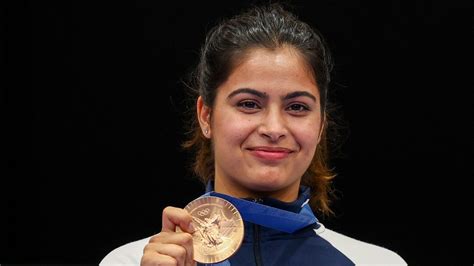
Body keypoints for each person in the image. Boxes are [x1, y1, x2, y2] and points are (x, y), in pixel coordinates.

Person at [100, 3, 406, 265]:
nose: (273, 128)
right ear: (206, 115)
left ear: (321, 125)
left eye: (297, 107)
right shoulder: (131, 261)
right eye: (249, 104)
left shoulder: (375, 262)